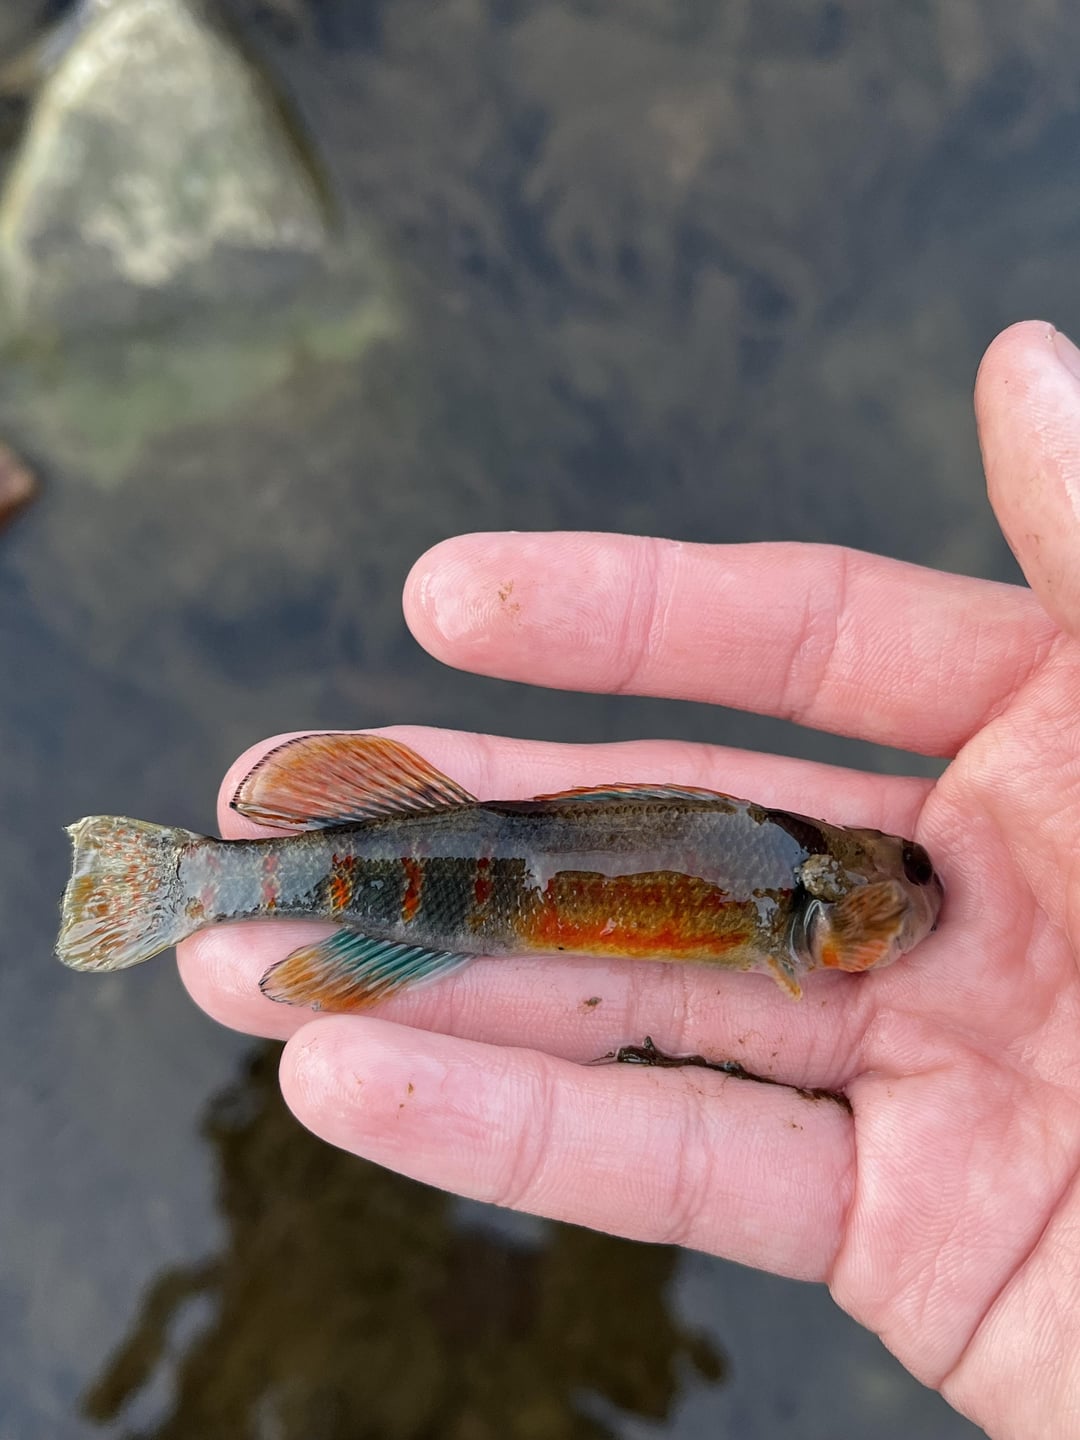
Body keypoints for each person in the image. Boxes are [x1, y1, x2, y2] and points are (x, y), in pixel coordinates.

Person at [178, 320, 1080, 1439]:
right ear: (829, 900)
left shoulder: (790, 881)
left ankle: (205, 884)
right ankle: (200, 883)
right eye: (901, 885)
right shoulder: (782, 891)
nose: (907, 903)